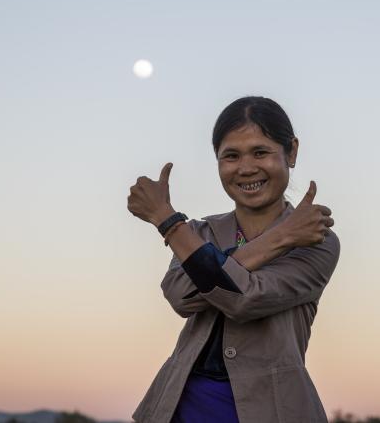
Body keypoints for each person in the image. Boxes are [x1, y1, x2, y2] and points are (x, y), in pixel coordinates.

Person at [127, 96, 340, 423]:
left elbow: (245, 299)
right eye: (231, 156)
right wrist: (280, 238)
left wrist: (166, 219)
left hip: (273, 409)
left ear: (291, 152)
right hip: (178, 405)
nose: (246, 168)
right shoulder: (200, 231)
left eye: (260, 152)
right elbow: (181, 296)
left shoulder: (316, 240)